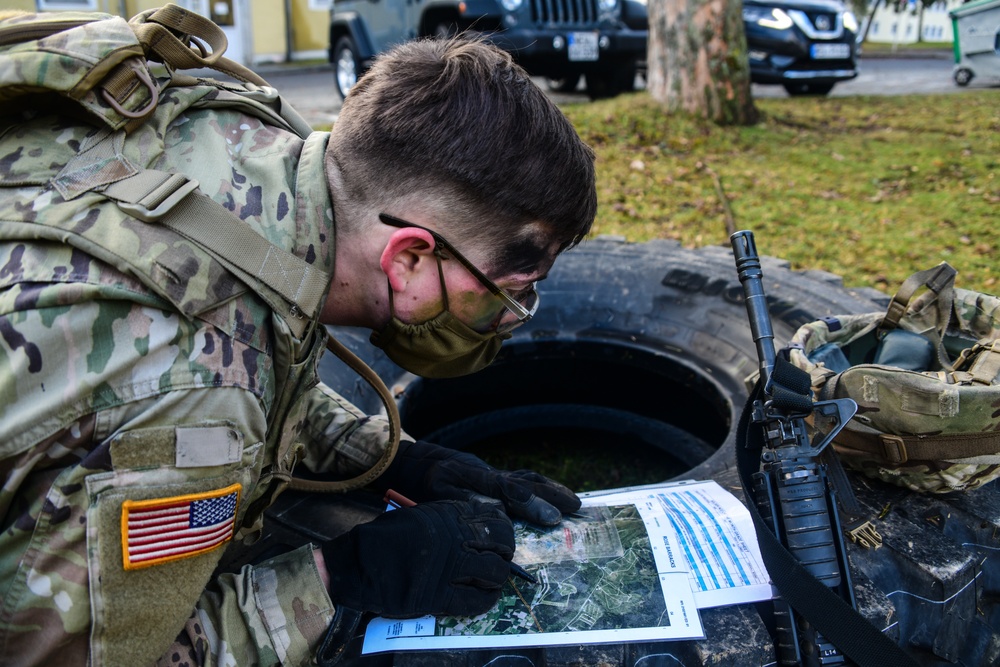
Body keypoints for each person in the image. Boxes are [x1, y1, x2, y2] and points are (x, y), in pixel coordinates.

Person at [0, 16, 597, 667]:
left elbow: (260, 358)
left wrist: (394, 457)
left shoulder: (251, 147)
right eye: (506, 293)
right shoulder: (191, 385)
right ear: (410, 260)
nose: (510, 319)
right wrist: (338, 576)